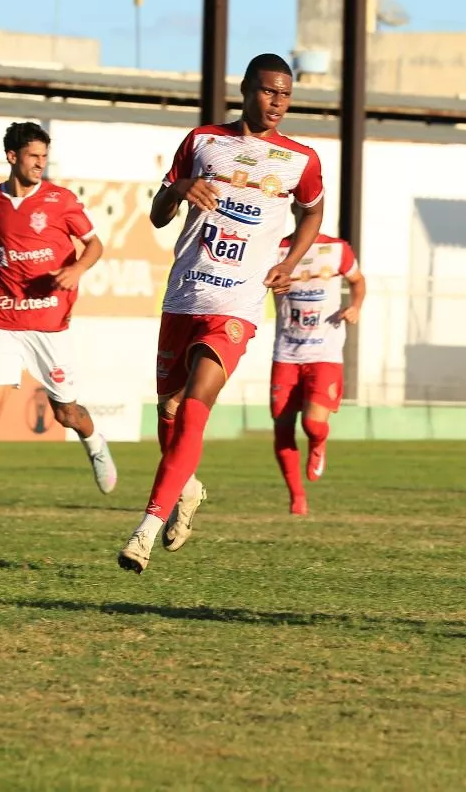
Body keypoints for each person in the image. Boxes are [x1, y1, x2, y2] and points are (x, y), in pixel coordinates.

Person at [118, 53, 325, 572]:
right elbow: (159, 216)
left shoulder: (301, 159)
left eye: (286, 94)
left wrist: (290, 260)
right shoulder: (202, 142)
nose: (278, 102)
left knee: (194, 408)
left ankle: (146, 528)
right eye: (269, 91)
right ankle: (186, 489)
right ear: (246, 89)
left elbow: (313, 210)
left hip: (236, 304)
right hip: (185, 294)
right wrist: (178, 188)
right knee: (168, 411)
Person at [0, 121, 115, 530]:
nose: (41, 163)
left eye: (44, 157)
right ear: (12, 157)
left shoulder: (60, 200)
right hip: (3, 318)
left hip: (50, 323)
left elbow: (94, 245)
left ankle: (94, 443)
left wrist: (76, 270)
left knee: (66, 413)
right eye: (33, 157)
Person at [269, 233, 364, 515]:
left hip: (325, 353)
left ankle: (318, 443)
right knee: (283, 429)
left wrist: (356, 306)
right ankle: (297, 498)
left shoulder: (337, 249)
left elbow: (358, 281)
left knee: (312, 424)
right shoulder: (277, 248)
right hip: (286, 352)